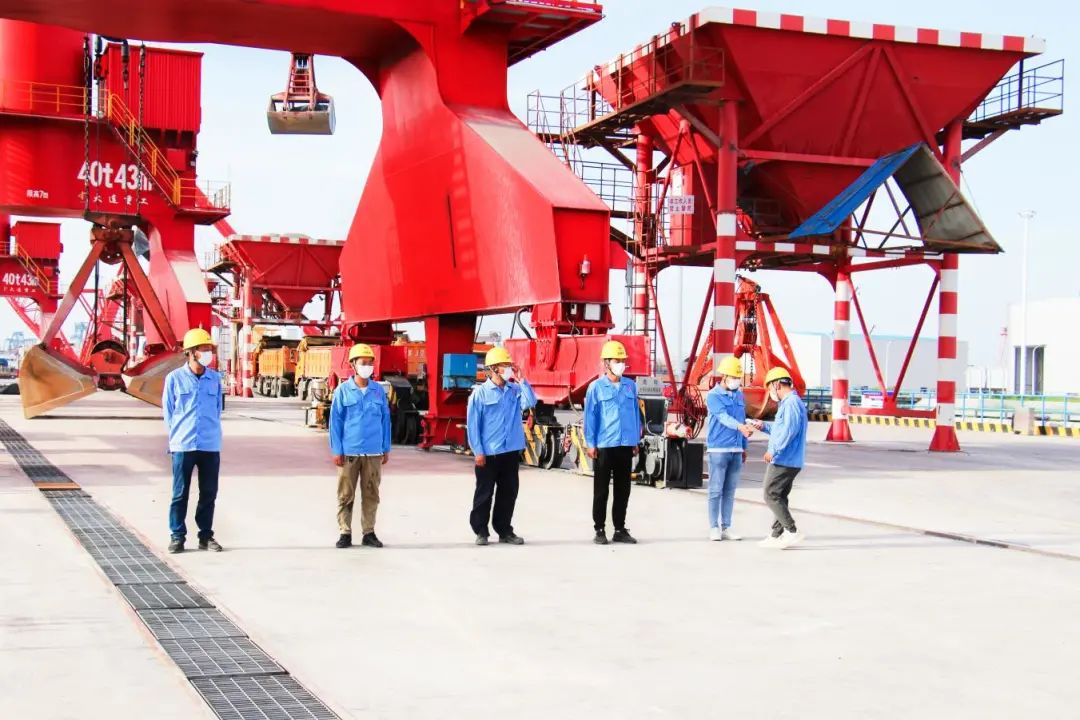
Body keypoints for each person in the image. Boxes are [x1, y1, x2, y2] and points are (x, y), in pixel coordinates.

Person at [162, 328, 224, 554]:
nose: (208, 353)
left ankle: (205, 536)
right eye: (204, 349)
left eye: (209, 349)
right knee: (180, 493)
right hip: (183, 444)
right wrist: (176, 438)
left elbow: (217, 409)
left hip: (209, 444)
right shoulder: (174, 379)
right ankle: (177, 536)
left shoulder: (215, 379)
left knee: (209, 493)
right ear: (191, 352)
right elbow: (168, 412)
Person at [466, 346, 536, 546]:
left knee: (508, 493)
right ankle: (481, 531)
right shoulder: (480, 394)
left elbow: (530, 402)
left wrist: (522, 380)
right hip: (489, 453)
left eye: (509, 365)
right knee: (484, 494)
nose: (509, 368)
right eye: (505, 365)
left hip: (510, 452)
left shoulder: (514, 390)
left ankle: (504, 530)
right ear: (494, 368)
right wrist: (478, 451)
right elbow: (473, 425)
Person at [329, 343, 391, 549]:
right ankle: (344, 532)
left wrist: (386, 447)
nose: (367, 366)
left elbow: (385, 420)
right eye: (363, 362)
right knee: (346, 494)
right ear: (353, 365)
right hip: (349, 452)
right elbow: (335, 423)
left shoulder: (378, 392)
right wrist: (337, 450)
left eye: (370, 363)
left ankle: (369, 532)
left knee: (371, 494)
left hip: (373, 452)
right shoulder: (342, 391)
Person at [584, 340, 641, 545]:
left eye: (623, 360)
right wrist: (590, 443)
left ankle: (619, 529)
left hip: (625, 445)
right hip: (605, 445)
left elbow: (635, 414)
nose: (621, 364)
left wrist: (635, 440)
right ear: (606, 363)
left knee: (623, 489)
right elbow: (590, 417)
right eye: (617, 361)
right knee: (601, 490)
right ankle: (599, 529)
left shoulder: (630, 386)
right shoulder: (596, 388)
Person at [748, 367, 808, 549]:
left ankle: (791, 530)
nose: (770, 392)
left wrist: (773, 451)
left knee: (770, 494)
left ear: (776, 384)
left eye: (769, 388)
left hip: (784, 459)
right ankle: (777, 534)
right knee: (779, 496)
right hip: (788, 459)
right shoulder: (789, 403)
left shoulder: (791, 403)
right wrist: (763, 426)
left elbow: (789, 432)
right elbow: (781, 429)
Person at [705, 355, 755, 541]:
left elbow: (741, 419)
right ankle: (714, 527)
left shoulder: (739, 395)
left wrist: (744, 446)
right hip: (718, 450)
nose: (736, 381)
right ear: (724, 376)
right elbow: (723, 417)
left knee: (730, 491)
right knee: (715, 490)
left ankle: (727, 526)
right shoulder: (713, 396)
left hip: (736, 450)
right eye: (734, 377)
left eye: (738, 378)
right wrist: (740, 427)